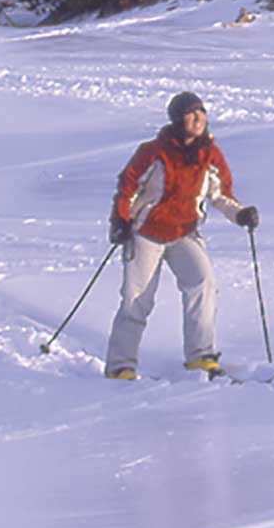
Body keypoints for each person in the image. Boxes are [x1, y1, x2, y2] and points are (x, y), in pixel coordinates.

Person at [105, 91, 259, 379]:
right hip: (147, 233)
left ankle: (201, 357)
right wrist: (121, 221)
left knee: (203, 282)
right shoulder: (153, 151)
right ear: (178, 119)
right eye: (191, 113)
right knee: (136, 299)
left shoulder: (209, 154)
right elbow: (128, 187)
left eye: (201, 112)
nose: (199, 118)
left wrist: (240, 214)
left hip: (184, 232)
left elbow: (220, 194)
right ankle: (120, 366)